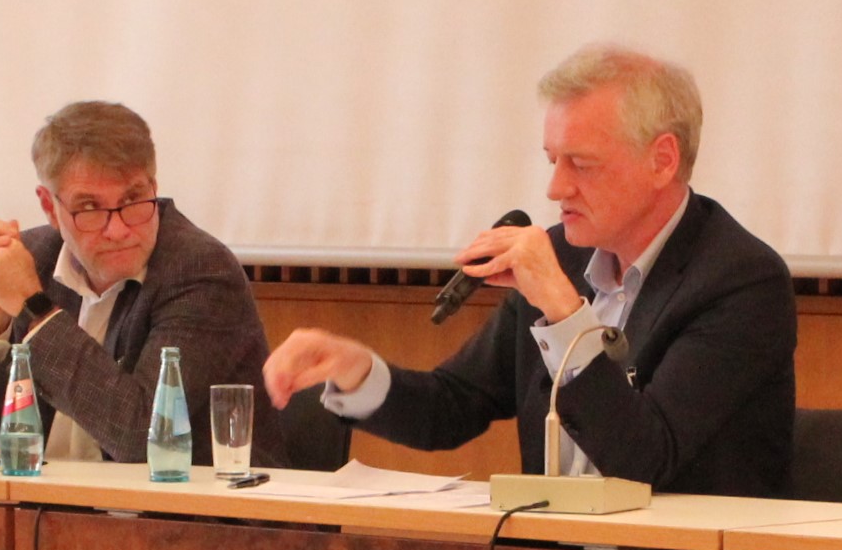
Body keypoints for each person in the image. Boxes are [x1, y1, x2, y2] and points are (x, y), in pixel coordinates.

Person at [261, 44, 795, 495]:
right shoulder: (562, 256)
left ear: (662, 160)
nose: (555, 189)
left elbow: (644, 461)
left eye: (581, 165)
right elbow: (451, 407)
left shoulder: (740, 282)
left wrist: (564, 312)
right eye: (552, 161)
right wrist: (357, 369)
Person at [0, 101, 277, 465]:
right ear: (49, 206)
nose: (119, 229)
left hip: (183, 515)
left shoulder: (200, 272)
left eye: (132, 199)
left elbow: (142, 435)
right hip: (46, 506)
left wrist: (34, 309)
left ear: (153, 187)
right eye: (91, 208)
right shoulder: (34, 259)